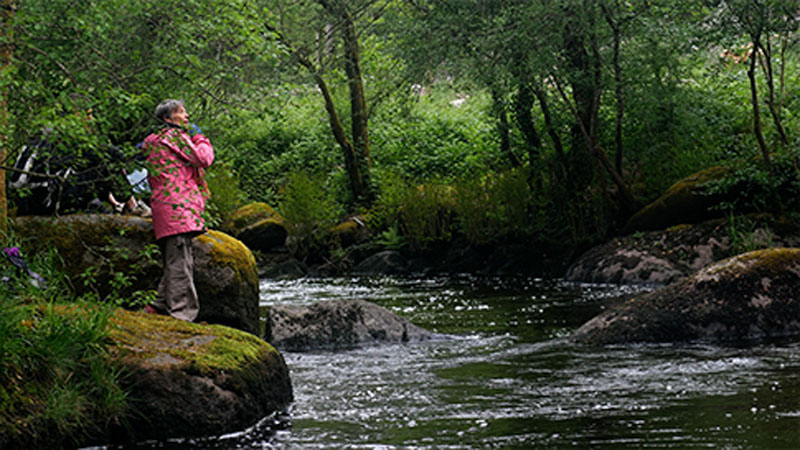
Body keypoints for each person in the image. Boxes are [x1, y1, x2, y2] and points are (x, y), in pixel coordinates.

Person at [142, 99, 214, 321]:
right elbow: (203, 158)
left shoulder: (153, 141)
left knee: (177, 260)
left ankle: (157, 306)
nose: (186, 116)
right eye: (181, 112)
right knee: (181, 265)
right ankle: (182, 316)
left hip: (167, 207)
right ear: (167, 119)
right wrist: (200, 138)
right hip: (178, 208)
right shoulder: (173, 137)